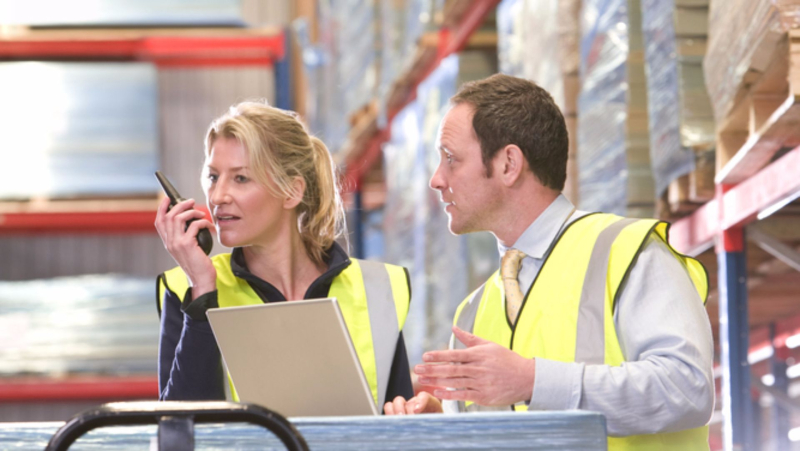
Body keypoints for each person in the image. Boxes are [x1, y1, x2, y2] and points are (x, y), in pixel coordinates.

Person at [384, 74, 714, 450]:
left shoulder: (625, 253)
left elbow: (688, 389)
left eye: (451, 159)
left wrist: (532, 381)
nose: (436, 180)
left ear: (509, 163)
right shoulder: (474, 312)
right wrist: (441, 433)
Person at [155, 101, 414, 411]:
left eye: (240, 178)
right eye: (213, 177)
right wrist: (201, 291)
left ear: (292, 192)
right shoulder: (188, 289)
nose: (217, 197)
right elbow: (182, 433)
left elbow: (400, 421)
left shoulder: (377, 288)